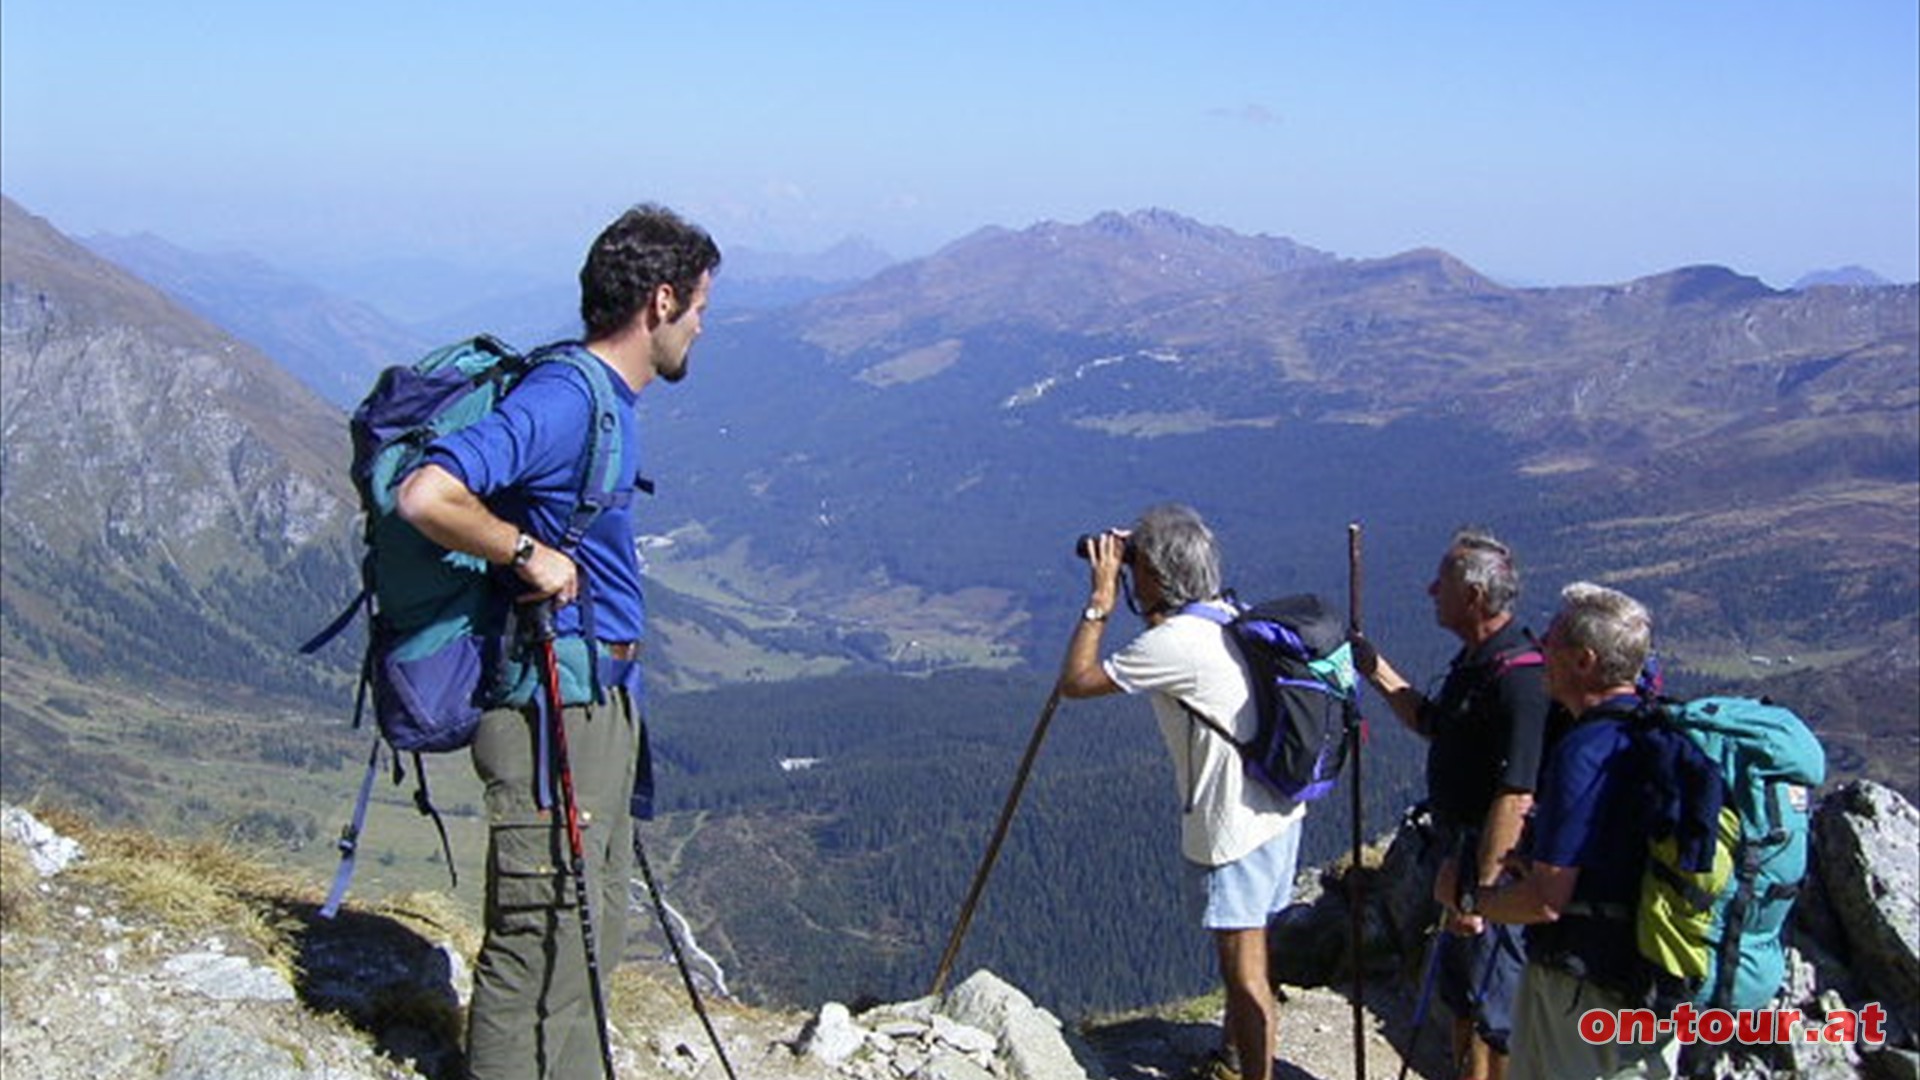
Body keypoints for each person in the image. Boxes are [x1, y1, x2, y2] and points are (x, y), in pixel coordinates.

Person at [396, 204, 721, 1080]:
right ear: (660, 300)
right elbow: (427, 496)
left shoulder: (603, 402)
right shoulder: (567, 399)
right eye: (699, 306)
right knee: (538, 936)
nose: (702, 324)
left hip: (595, 703)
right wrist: (525, 551)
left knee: (588, 933)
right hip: (549, 713)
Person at [1058, 504, 1306, 1080]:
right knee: (1253, 952)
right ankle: (1237, 1054)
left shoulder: (1176, 643)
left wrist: (1101, 597)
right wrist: (1141, 566)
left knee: (1242, 970)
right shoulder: (1227, 615)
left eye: (1139, 562)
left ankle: (1253, 1072)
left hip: (1232, 829)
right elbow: (1165, 639)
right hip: (1278, 809)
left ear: (1159, 576)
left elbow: (1076, 682)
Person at [1441, 582, 1680, 1080]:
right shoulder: (1655, 732)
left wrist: (1468, 899)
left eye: (1550, 641)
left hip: (1581, 986)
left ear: (1584, 661)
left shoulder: (1583, 751)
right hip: (1647, 978)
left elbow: (1545, 901)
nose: (1540, 650)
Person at [1354, 528, 1552, 1080]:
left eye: (1441, 581)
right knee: (1466, 992)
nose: (1428, 589)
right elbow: (1432, 723)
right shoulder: (1480, 664)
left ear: (1473, 597)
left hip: (1492, 864)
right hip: (1459, 854)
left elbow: (1515, 795)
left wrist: (1478, 896)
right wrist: (1374, 666)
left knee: (1494, 1004)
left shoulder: (1520, 681)